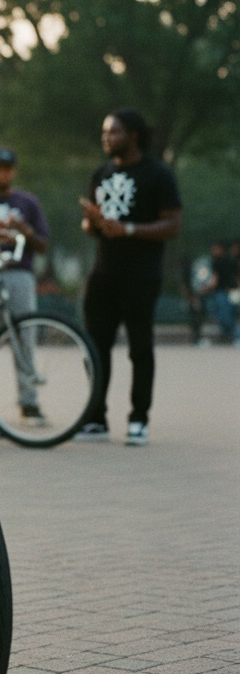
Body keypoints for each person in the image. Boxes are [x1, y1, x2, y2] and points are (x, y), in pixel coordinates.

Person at [77, 108, 182, 445]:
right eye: (105, 132)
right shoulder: (101, 173)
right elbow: (94, 229)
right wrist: (93, 223)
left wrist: (129, 229)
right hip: (104, 272)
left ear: (133, 136)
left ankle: (139, 419)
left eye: (114, 132)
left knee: (139, 347)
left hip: (141, 274)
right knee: (96, 347)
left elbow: (172, 224)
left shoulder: (157, 174)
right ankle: (95, 419)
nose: (107, 138)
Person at [0, 147, 50, 423]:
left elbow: (43, 245)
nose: (2, 173)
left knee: (24, 336)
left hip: (19, 273)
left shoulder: (27, 203)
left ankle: (28, 402)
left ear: (13, 171)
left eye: (7, 168)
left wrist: (25, 231)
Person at [201, 241, 239, 345]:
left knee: (228, 315)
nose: (213, 251)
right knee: (223, 315)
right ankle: (228, 337)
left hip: (228, 292)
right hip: (221, 292)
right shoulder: (216, 262)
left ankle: (235, 336)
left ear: (221, 249)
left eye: (215, 249)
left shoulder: (230, 261)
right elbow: (214, 279)